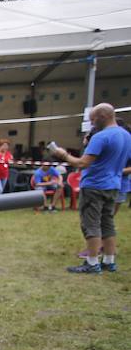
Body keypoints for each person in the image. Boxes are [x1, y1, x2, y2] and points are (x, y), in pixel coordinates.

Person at [53, 103, 131, 273]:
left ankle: (92, 262)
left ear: (102, 116)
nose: (92, 124)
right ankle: (109, 261)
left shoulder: (101, 137)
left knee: (91, 223)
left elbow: (82, 163)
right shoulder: (126, 136)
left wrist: (63, 154)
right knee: (107, 223)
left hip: (95, 186)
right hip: (114, 185)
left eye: (93, 120)